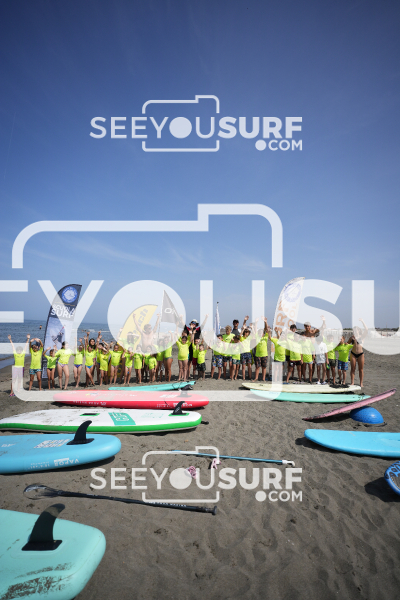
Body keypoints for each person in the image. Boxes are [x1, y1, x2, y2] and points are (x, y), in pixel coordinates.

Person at [349, 319, 368, 387]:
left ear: (359, 330)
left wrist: (362, 321)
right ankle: (352, 382)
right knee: (353, 368)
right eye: (353, 330)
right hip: (353, 354)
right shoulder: (352, 337)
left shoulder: (362, 336)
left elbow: (366, 329)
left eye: (356, 330)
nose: (354, 331)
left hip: (360, 354)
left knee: (361, 369)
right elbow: (347, 344)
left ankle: (361, 383)